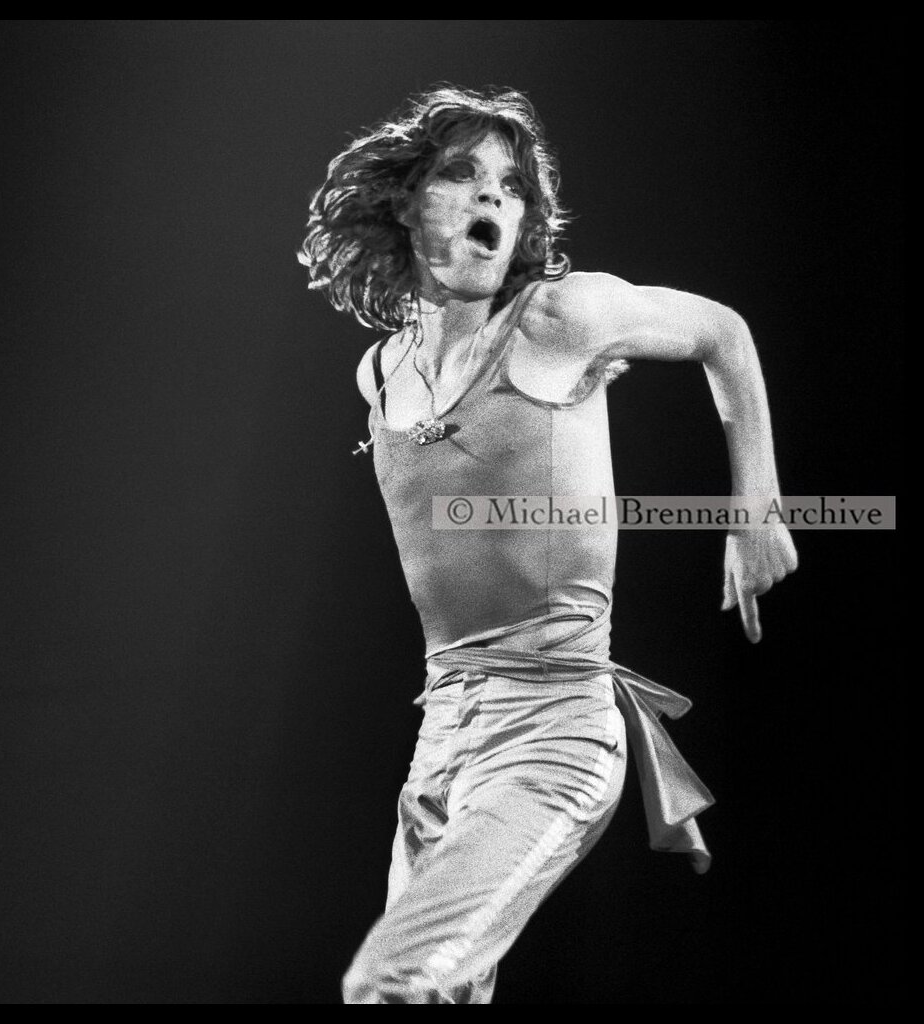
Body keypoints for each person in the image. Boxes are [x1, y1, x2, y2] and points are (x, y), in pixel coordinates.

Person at [298, 85, 798, 1003]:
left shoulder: (556, 320)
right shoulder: (382, 371)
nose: (493, 198)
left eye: (511, 186)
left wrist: (754, 505)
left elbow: (721, 333)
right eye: (462, 174)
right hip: (441, 731)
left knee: (390, 983)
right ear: (408, 202)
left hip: (554, 725)